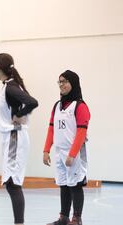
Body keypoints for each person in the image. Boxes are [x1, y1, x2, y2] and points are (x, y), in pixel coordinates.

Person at [0, 53, 38, 225]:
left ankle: (19, 222)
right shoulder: (8, 86)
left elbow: (33, 102)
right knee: (11, 183)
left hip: (14, 136)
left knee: (13, 182)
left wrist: (19, 115)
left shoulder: (11, 87)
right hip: (10, 136)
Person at [43, 70, 90, 225]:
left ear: (73, 83)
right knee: (63, 184)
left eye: (64, 81)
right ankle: (63, 217)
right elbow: (51, 129)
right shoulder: (57, 106)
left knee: (75, 185)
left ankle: (77, 218)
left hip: (74, 153)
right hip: (59, 152)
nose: (61, 85)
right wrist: (46, 150)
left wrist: (72, 154)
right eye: (59, 82)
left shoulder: (80, 106)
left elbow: (82, 132)